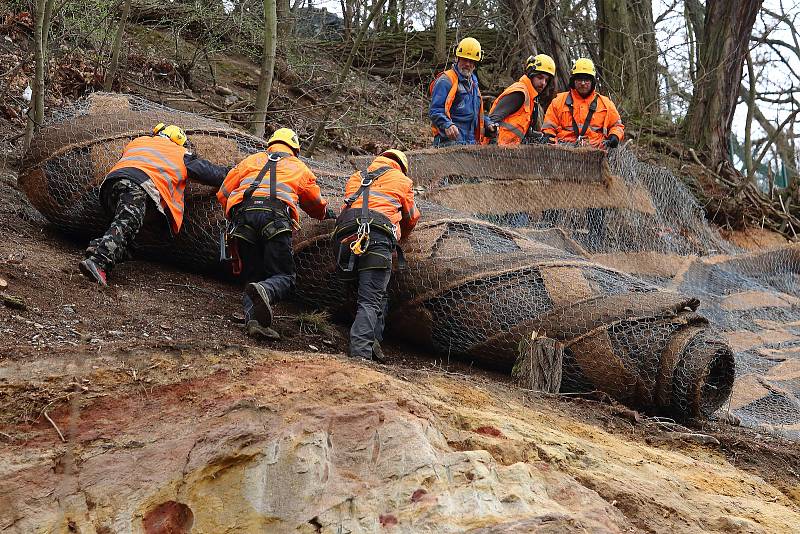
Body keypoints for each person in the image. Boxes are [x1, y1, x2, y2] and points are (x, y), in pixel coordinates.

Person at [217, 128, 334, 338]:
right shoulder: (299, 167)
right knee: (284, 276)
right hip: (275, 219)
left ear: (270, 143)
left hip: (243, 218)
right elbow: (315, 205)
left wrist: (235, 214)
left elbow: (223, 192)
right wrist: (328, 214)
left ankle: (255, 322)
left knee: (253, 276)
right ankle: (266, 293)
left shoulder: (251, 160)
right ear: (295, 149)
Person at [79, 123, 229, 286]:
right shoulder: (181, 153)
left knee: (132, 239)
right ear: (179, 141)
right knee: (127, 224)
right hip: (139, 185)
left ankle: (96, 248)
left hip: (110, 187)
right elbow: (212, 174)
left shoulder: (138, 142)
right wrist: (235, 172)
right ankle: (99, 262)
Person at [333, 149, 420, 361]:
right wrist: (401, 236)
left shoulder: (357, 177)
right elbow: (411, 218)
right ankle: (361, 354)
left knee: (375, 294)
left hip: (345, 240)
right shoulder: (402, 180)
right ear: (400, 165)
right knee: (369, 300)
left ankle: (373, 343)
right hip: (377, 240)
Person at [541, 57, 624, 149]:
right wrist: (549, 136)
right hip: (563, 150)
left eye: (587, 80)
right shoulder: (558, 101)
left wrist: (614, 136)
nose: (583, 83)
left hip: (596, 151)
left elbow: (617, 126)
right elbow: (548, 126)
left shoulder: (605, 103)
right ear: (573, 81)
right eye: (579, 79)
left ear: (593, 82)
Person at [429, 37, 496, 147]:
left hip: (470, 142)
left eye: (471, 61)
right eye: (465, 59)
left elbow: (475, 112)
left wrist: (488, 123)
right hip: (449, 142)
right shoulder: (446, 80)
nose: (468, 64)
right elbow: (435, 110)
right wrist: (447, 125)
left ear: (475, 63)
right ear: (457, 58)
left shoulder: (473, 82)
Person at [486, 53, 556, 145]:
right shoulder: (519, 93)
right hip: (497, 149)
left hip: (510, 150)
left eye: (546, 80)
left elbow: (522, 131)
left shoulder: (530, 98)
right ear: (531, 74)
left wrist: (541, 137)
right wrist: (493, 146)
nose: (543, 83)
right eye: (540, 77)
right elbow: (492, 120)